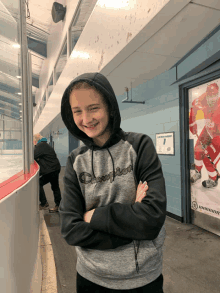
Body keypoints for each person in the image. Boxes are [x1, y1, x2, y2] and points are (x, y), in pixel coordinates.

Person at [59, 72, 167, 292]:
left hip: (143, 278)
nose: (86, 119)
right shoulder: (74, 161)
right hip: (91, 277)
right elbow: (71, 230)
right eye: (77, 111)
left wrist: (94, 216)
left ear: (109, 106)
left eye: (93, 108)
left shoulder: (139, 146)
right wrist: (132, 222)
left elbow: (152, 218)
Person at [189, 82, 220, 188]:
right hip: (208, 130)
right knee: (197, 151)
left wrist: (211, 145)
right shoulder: (203, 99)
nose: (211, 99)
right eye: (209, 95)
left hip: (218, 136)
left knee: (208, 158)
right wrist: (192, 124)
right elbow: (193, 106)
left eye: (214, 96)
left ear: (217, 95)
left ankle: (213, 178)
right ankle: (198, 172)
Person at [34, 133, 62, 212]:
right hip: (55, 168)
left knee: (38, 183)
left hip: (51, 170)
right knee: (55, 187)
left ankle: (44, 203)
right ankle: (59, 205)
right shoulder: (45, 144)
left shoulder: (41, 145)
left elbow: (32, 156)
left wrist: (38, 158)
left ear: (35, 140)